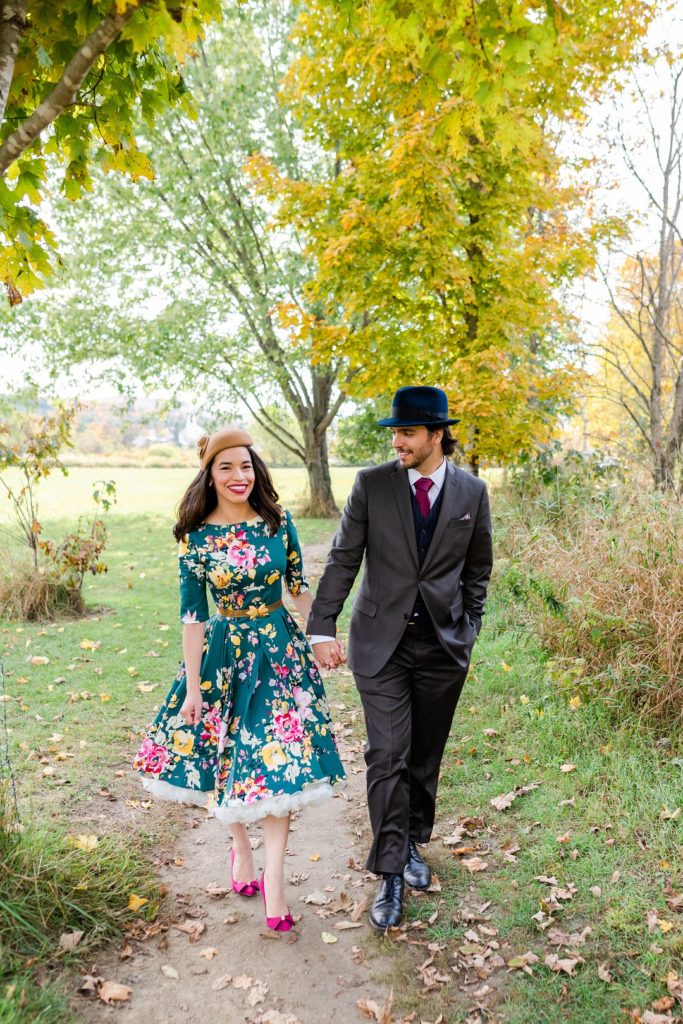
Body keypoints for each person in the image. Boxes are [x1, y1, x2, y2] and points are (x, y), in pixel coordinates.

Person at [134, 426, 345, 932]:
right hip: (223, 655)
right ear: (209, 474)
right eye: (226, 467)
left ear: (257, 470)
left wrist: (319, 638)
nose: (238, 476)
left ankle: (275, 881)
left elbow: (298, 587)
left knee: (282, 758)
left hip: (278, 650)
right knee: (222, 752)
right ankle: (239, 846)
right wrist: (191, 686)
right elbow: (192, 618)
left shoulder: (278, 522)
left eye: (246, 465)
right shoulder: (197, 538)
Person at [308, 386, 493, 930]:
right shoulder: (372, 485)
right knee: (387, 755)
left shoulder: (472, 492)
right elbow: (343, 559)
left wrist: (469, 629)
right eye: (395, 432)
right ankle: (389, 872)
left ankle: (413, 841)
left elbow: (477, 569)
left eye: (408, 432)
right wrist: (322, 626)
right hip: (379, 643)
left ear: (437, 435)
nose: (398, 441)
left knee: (422, 757)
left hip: (442, 646)